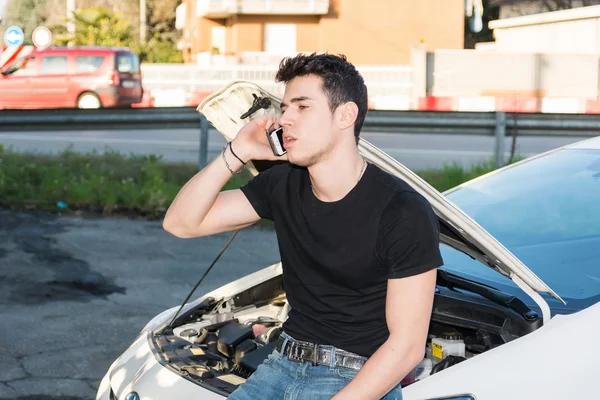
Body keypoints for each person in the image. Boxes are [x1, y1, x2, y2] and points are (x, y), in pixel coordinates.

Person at [163, 53, 443, 400]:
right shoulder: (282, 184)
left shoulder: (402, 210)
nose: (285, 119)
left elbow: (407, 348)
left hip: (357, 378)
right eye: (284, 108)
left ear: (345, 115)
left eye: (302, 107)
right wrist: (238, 151)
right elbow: (181, 223)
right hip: (281, 363)